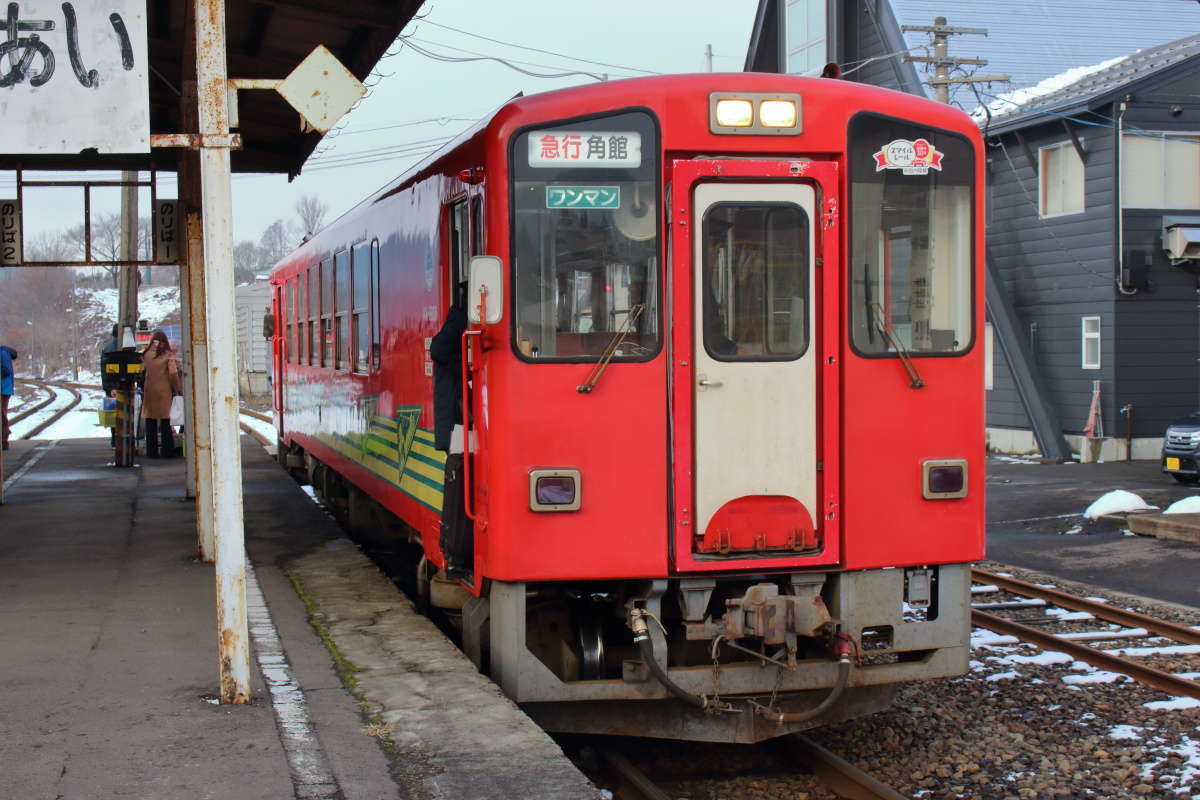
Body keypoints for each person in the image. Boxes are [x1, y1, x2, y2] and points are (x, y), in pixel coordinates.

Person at [430, 284, 471, 579]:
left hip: (455, 419)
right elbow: (440, 350)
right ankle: (456, 550)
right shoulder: (461, 318)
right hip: (459, 419)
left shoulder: (459, 316)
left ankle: (456, 549)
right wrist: (468, 364)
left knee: (458, 477)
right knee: (459, 480)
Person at [140, 330, 181, 458]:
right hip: (164, 391)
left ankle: (151, 452)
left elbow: (141, 371)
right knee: (165, 422)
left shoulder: (145, 354)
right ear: (165, 341)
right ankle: (166, 451)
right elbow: (173, 374)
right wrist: (177, 388)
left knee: (150, 421)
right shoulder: (167, 355)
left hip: (149, 390)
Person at [1, 345, 16, 451]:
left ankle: (4, 439)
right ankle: (5, 436)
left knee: (2, 415)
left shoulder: (2, 353)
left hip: (3, 389)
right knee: (2, 414)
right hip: (4, 388)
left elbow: (6, 370)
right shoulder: (3, 353)